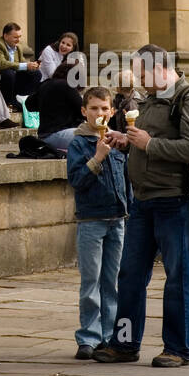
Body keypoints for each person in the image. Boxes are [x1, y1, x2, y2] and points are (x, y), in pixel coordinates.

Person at [94, 44, 189, 369]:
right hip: (144, 200)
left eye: (142, 73)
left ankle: (178, 348)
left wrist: (149, 143)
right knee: (129, 274)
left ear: (161, 68)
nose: (139, 80)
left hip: (178, 199)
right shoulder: (149, 102)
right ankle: (125, 343)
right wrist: (127, 141)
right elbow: (145, 144)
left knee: (177, 276)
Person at [67, 88, 130, 358]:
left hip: (117, 217)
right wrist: (98, 157)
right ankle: (89, 336)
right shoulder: (78, 143)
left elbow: (126, 180)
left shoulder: (117, 142)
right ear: (84, 111)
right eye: (94, 108)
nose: (100, 114)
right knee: (90, 280)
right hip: (91, 218)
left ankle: (109, 335)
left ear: (112, 112)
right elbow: (77, 181)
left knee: (111, 281)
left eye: (104, 109)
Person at [24, 67, 83, 154]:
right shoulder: (67, 86)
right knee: (98, 137)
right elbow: (84, 112)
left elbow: (29, 105)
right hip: (59, 135)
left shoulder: (46, 84)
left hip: (44, 137)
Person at [0, 23, 42, 109]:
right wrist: (25, 65)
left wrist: (32, 66)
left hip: (14, 78)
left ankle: (25, 99)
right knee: (9, 73)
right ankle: (8, 102)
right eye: (15, 37)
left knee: (36, 73)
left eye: (19, 37)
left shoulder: (18, 47)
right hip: (1, 78)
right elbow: (1, 64)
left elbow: (23, 62)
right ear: (5, 36)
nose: (18, 40)